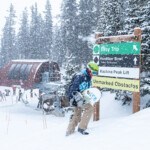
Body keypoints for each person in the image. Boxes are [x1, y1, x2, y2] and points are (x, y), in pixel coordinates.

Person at [66, 66, 95, 136]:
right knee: (89, 108)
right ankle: (82, 128)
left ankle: (69, 131)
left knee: (77, 114)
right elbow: (73, 88)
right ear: (89, 71)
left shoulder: (87, 77)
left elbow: (85, 89)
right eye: (93, 72)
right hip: (76, 97)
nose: (93, 74)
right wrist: (76, 99)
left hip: (80, 97)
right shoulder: (80, 76)